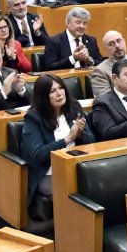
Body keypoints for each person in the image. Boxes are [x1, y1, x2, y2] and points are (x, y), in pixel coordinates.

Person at [21, 76, 94, 215]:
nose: (59, 93)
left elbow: (91, 142)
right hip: (49, 172)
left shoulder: (74, 108)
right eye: (52, 91)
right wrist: (67, 139)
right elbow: (38, 155)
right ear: (43, 97)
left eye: (61, 88)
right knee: (75, 199)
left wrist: (80, 134)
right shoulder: (33, 118)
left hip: (77, 167)